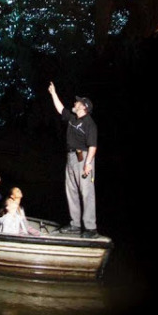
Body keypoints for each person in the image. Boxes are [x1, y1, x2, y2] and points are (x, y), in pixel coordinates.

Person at [48, 81, 98, 238]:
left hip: (83, 159)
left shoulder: (89, 123)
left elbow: (93, 146)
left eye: (78, 102)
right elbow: (60, 109)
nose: (74, 103)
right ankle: (75, 224)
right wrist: (53, 93)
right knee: (71, 191)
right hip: (70, 158)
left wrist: (88, 164)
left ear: (84, 107)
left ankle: (90, 228)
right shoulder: (72, 118)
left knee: (87, 193)